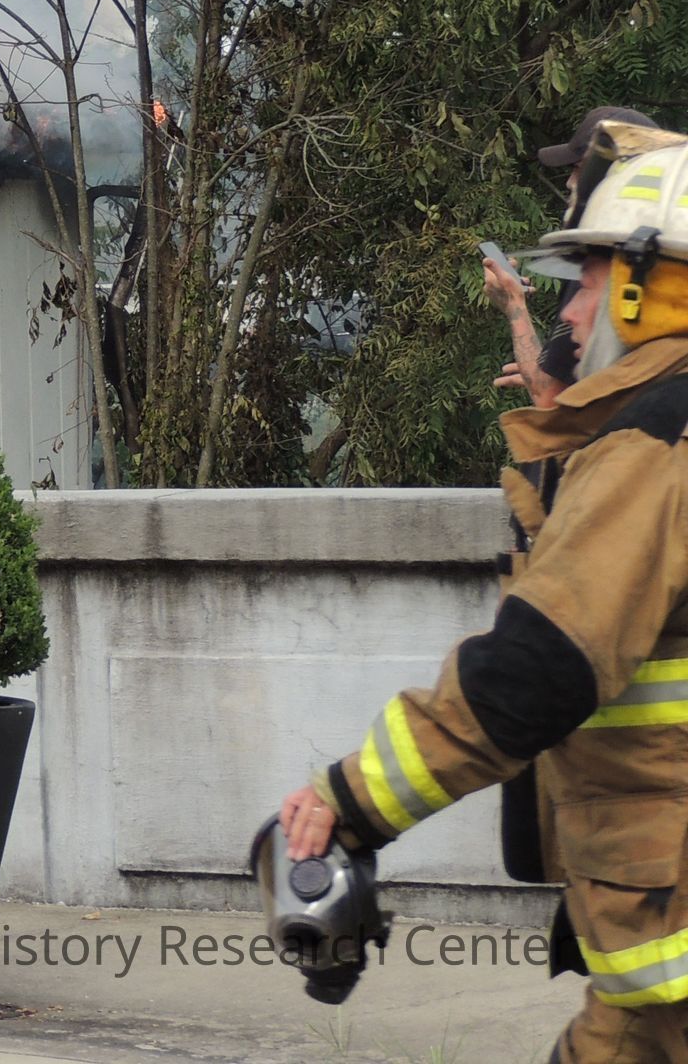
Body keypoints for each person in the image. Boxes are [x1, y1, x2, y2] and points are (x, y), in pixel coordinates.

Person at [281, 123, 688, 1060]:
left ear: (645, 287)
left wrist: (352, 800)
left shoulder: (655, 447)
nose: (571, 311)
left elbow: (535, 668)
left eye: (587, 280)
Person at [488, 107, 657, 409]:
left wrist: (514, 304)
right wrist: (544, 371)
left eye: (579, 169)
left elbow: (549, 399)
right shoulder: (661, 260)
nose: (569, 182)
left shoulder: (604, 259)